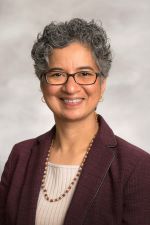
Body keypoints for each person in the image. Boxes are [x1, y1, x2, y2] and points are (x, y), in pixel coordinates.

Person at [0, 18, 150, 225]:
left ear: (102, 84)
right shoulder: (20, 156)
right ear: (43, 85)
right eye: (57, 74)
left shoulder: (138, 167)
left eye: (85, 74)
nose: (71, 88)